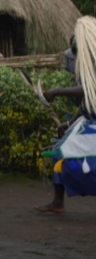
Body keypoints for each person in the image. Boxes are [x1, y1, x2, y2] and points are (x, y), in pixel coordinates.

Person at [35, 17, 96, 214]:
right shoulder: (87, 64)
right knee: (59, 151)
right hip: (89, 120)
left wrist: (57, 91)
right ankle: (58, 202)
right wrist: (69, 123)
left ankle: (58, 201)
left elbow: (89, 90)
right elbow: (89, 101)